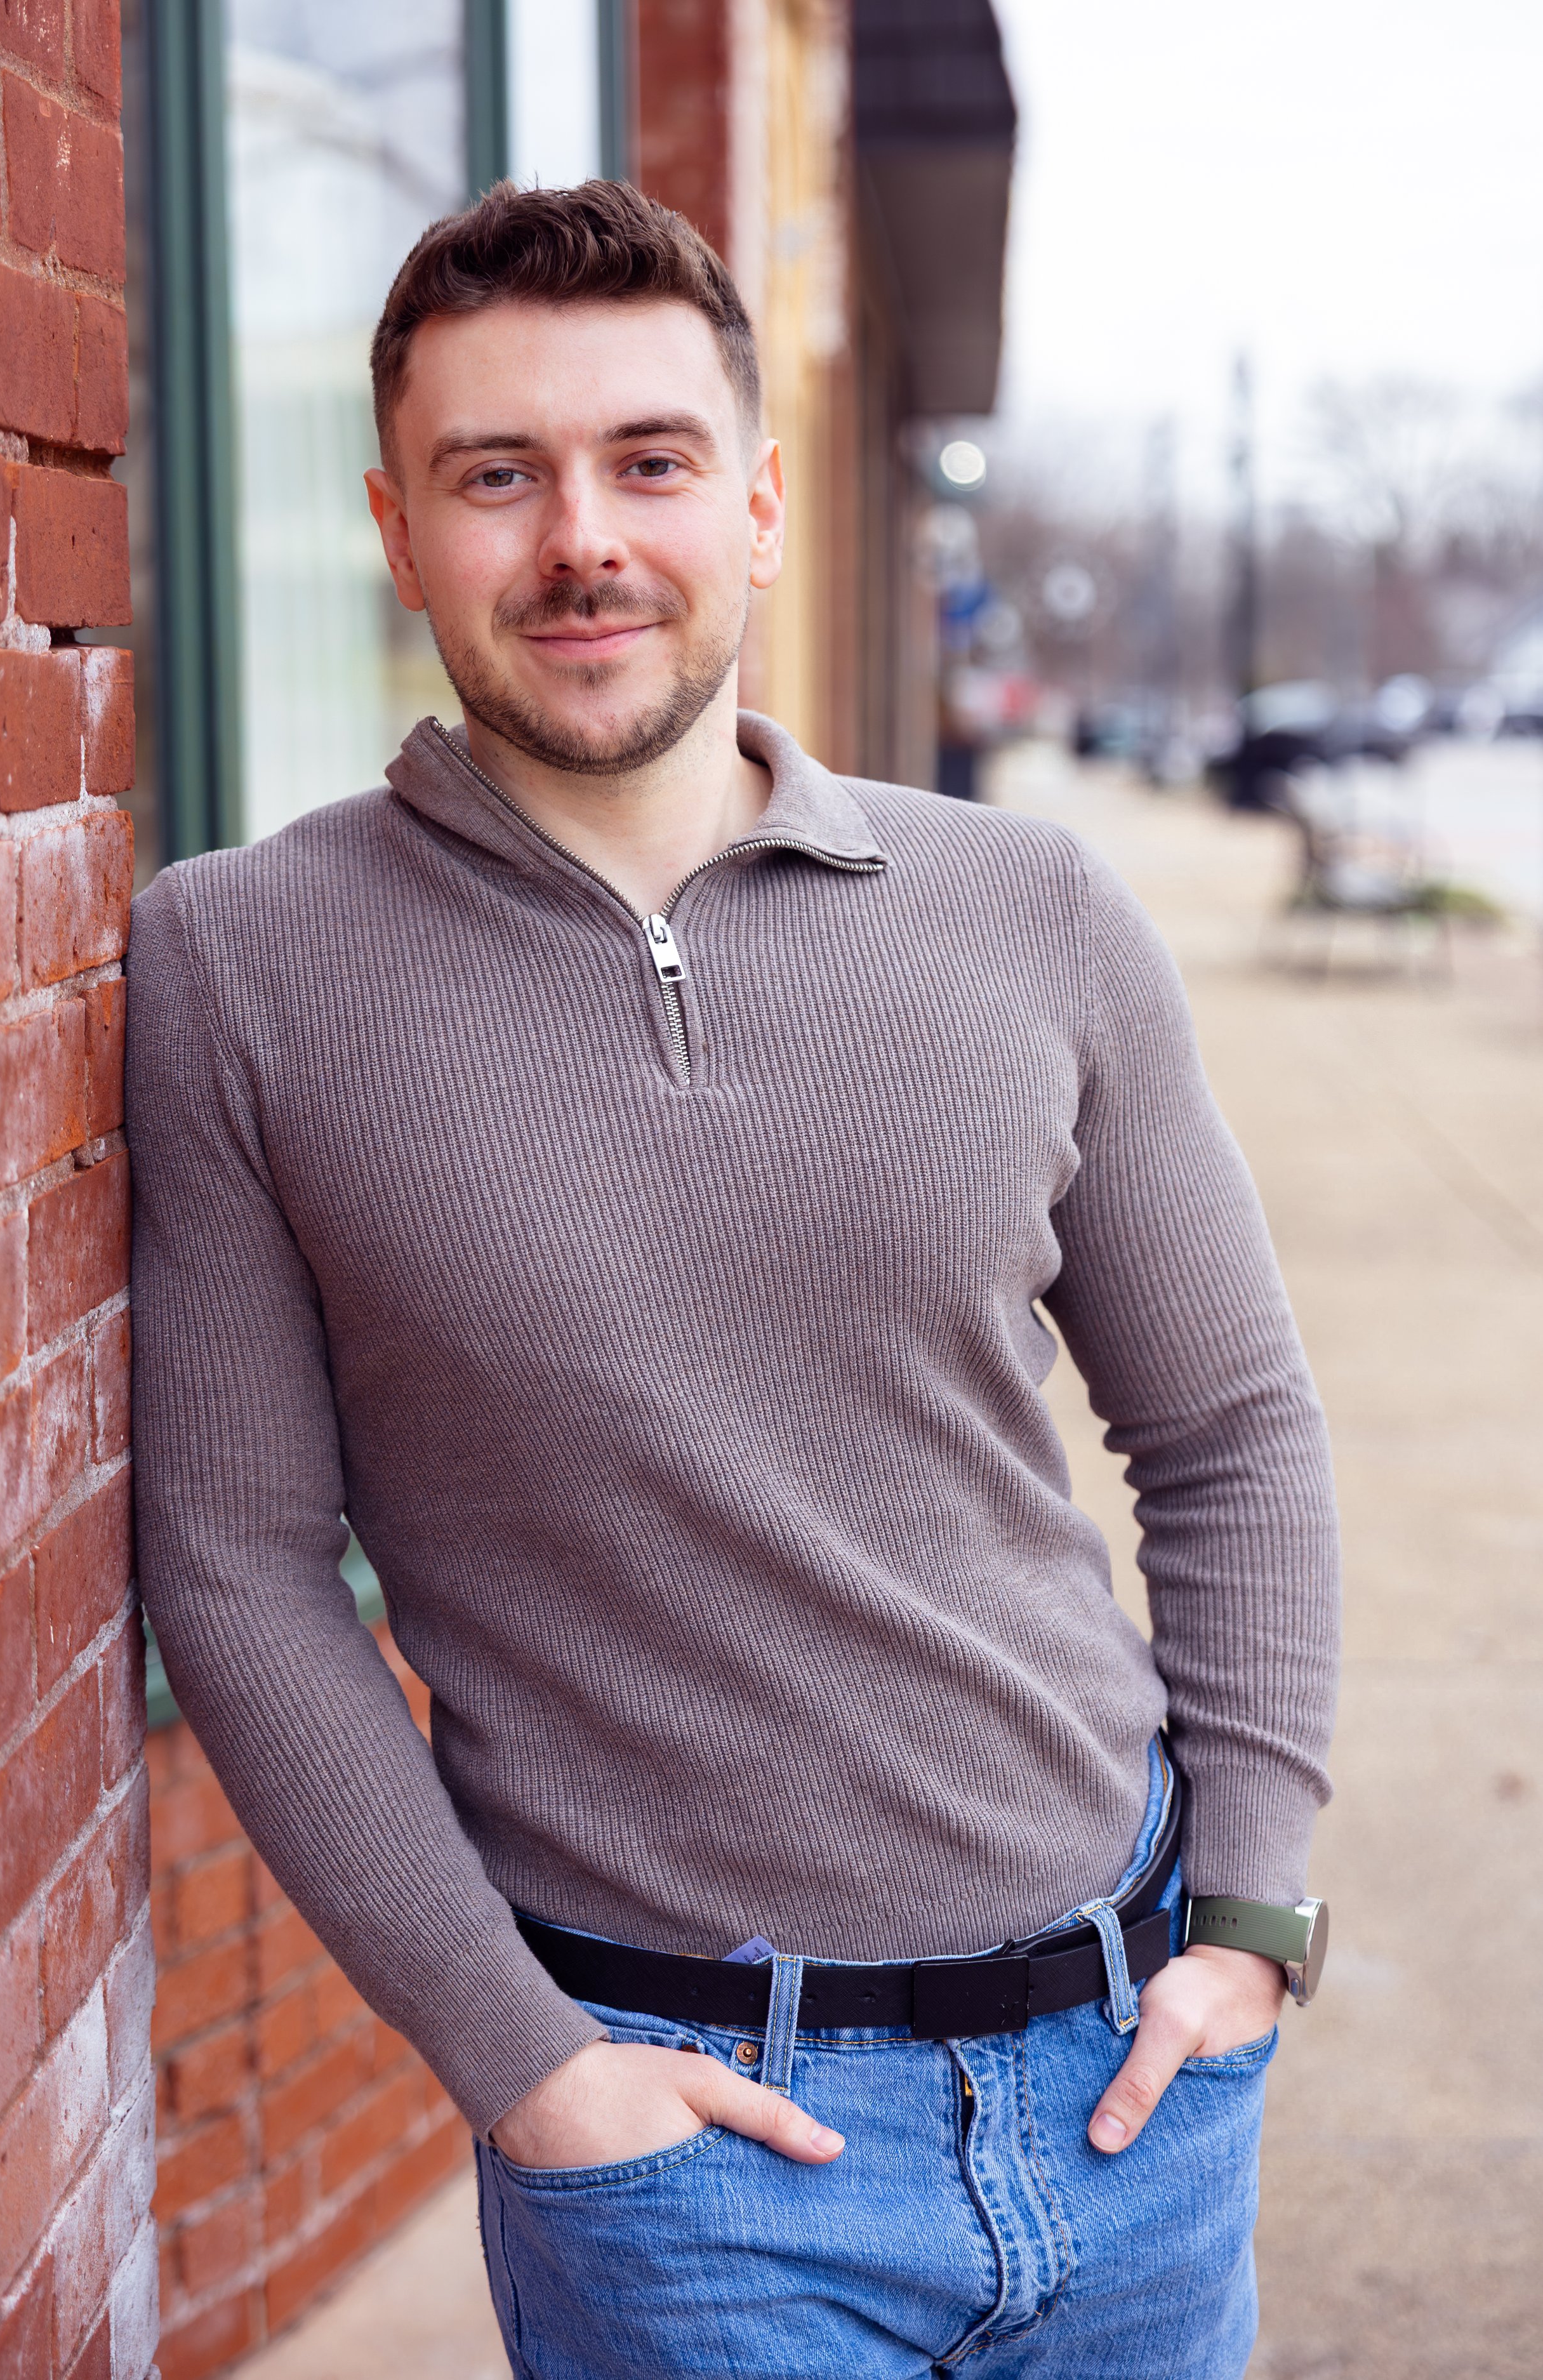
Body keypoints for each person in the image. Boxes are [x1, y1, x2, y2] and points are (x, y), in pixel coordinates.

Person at [127, 181, 1340, 2379]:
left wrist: (1249, 1919)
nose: (580, 536)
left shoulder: (1032, 910)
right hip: (685, 2162)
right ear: (400, 534)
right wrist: (525, 2068)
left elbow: (1230, 1426)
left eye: (648, 461)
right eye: (498, 475)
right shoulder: (243, 963)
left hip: (1133, 2079)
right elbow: (231, 1567)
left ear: (762, 508)